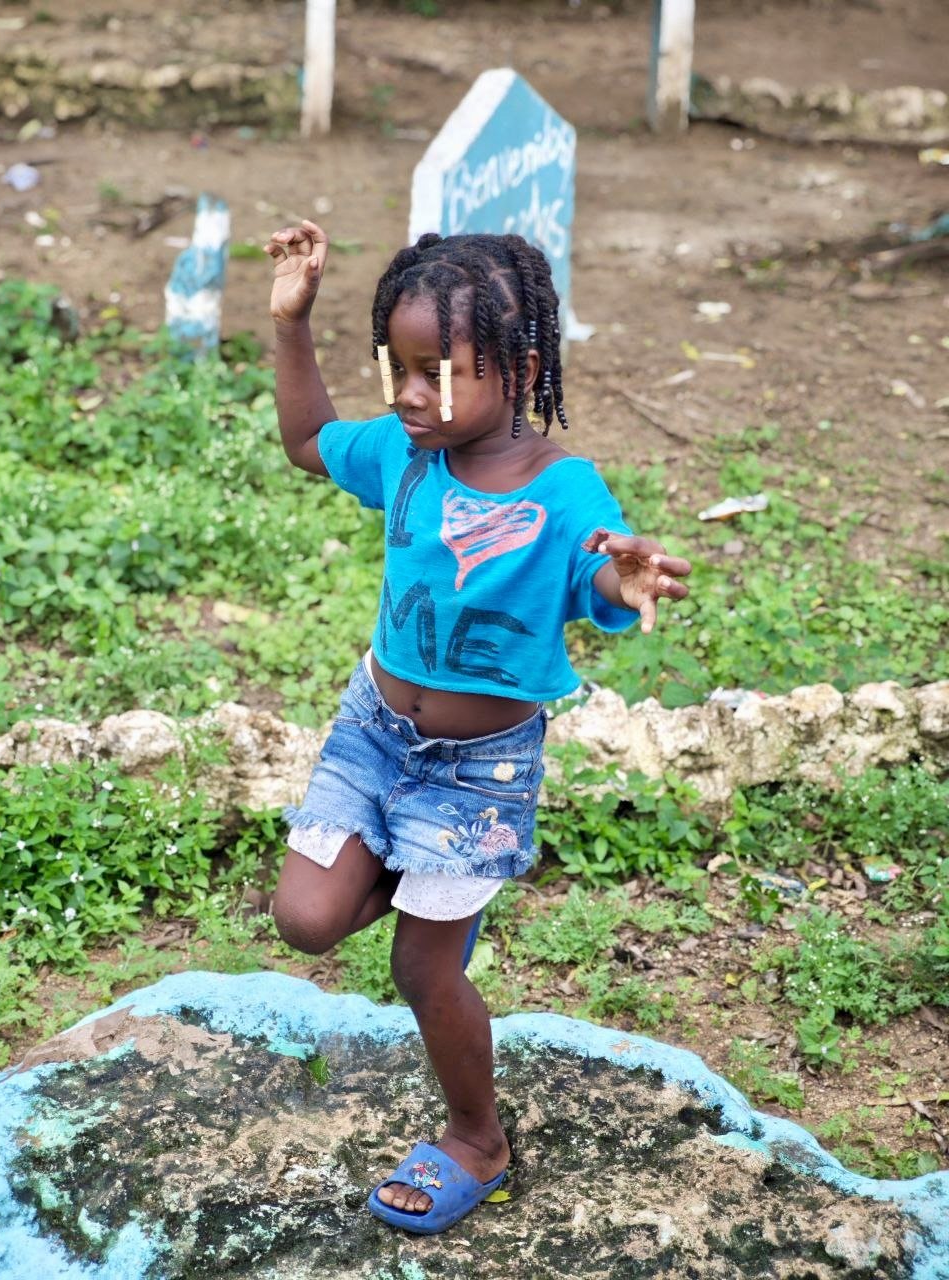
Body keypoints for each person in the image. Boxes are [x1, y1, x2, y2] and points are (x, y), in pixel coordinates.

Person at [263, 219, 692, 1235]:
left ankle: (476, 1138)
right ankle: (416, 872)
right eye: (397, 369)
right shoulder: (408, 454)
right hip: (372, 730)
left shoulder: (562, 489)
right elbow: (304, 441)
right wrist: (292, 322)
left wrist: (617, 578)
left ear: (521, 366)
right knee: (307, 920)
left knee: (422, 966)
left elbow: (596, 575)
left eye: (437, 373)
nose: (410, 394)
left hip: (477, 772)